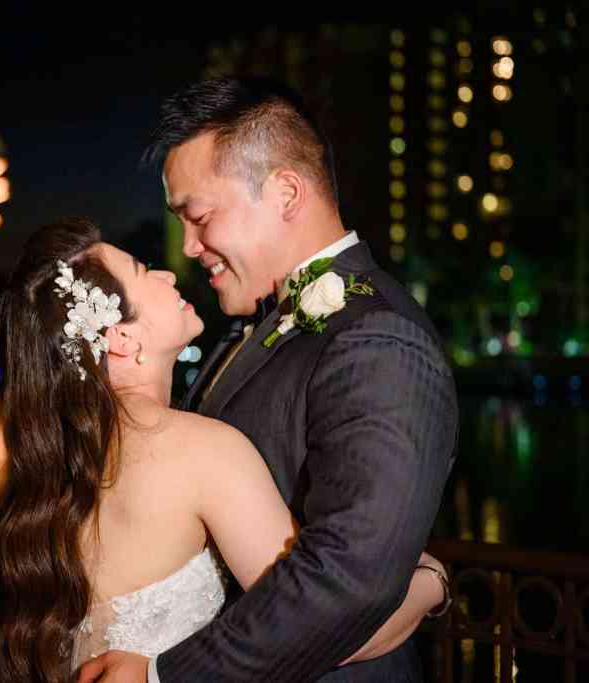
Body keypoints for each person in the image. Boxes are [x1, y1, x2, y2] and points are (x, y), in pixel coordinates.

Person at [76, 77, 459, 683]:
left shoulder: (378, 339)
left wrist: (161, 678)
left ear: (285, 192)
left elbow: (347, 584)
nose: (190, 246)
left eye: (198, 217)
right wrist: (431, 581)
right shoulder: (250, 324)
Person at [0, 218, 451, 683]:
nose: (168, 274)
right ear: (123, 338)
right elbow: (328, 628)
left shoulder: (68, 461)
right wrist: (432, 581)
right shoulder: (200, 450)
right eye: (146, 272)